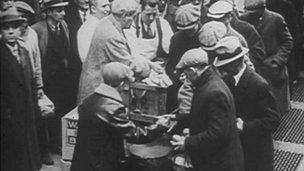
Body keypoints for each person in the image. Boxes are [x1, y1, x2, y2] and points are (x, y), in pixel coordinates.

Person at [72, 63, 170, 171]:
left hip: (82, 163)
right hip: (100, 165)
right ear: (122, 84)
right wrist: (159, 126)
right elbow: (135, 135)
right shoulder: (112, 108)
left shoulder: (88, 100)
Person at [168, 48, 245, 171]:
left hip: (221, 164)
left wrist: (187, 143)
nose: (185, 78)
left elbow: (217, 133)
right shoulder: (208, 83)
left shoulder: (214, 92)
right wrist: (176, 118)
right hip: (218, 160)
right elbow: (203, 115)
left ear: (193, 71)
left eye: (186, 73)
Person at [213, 36, 280, 171]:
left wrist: (245, 126)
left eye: (226, 64)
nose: (223, 68)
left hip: (257, 152)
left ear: (236, 62)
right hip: (238, 149)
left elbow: (273, 119)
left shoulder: (259, 85)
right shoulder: (228, 79)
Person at [78, 0, 162, 104]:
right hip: (97, 91)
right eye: (133, 17)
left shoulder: (107, 22)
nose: (133, 21)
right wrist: (149, 71)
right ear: (125, 15)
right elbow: (128, 65)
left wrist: (150, 64)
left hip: (98, 86)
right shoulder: (112, 35)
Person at [0, 7, 41, 171]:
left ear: (21, 28)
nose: (11, 32)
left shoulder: (24, 50)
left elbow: (30, 81)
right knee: (11, 156)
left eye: (14, 27)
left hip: (27, 111)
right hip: (8, 115)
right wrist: (6, 113)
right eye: (6, 28)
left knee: (29, 151)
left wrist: (35, 105)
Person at [32, 0, 71, 164]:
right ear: (48, 12)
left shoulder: (64, 26)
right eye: (58, 11)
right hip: (44, 79)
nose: (63, 14)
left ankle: (56, 144)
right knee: (43, 114)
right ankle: (44, 150)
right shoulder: (37, 29)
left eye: (63, 10)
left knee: (59, 111)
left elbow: (66, 50)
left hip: (60, 78)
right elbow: (35, 56)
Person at [241, 0, 293, 115]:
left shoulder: (276, 19)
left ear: (263, 8)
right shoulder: (244, 19)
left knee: (276, 104)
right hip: (254, 66)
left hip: (272, 67)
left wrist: (278, 60)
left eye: (254, 11)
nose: (251, 14)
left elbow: (287, 42)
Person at [165, 3, 201, 112]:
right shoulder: (176, 39)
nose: (188, 33)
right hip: (181, 85)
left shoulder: (206, 35)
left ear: (198, 21)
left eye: (191, 29)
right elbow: (170, 66)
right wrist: (178, 76)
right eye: (185, 30)